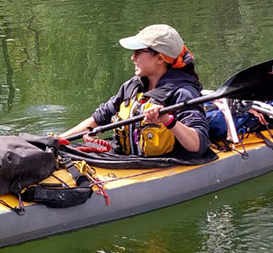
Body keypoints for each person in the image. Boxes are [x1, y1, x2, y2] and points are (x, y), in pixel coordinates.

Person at [59, 24, 209, 160]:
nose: (132, 57)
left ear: (160, 58)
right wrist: (59, 139)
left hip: (166, 163)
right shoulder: (132, 86)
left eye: (138, 52)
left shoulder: (183, 93)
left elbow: (198, 144)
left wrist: (168, 120)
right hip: (128, 158)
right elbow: (99, 118)